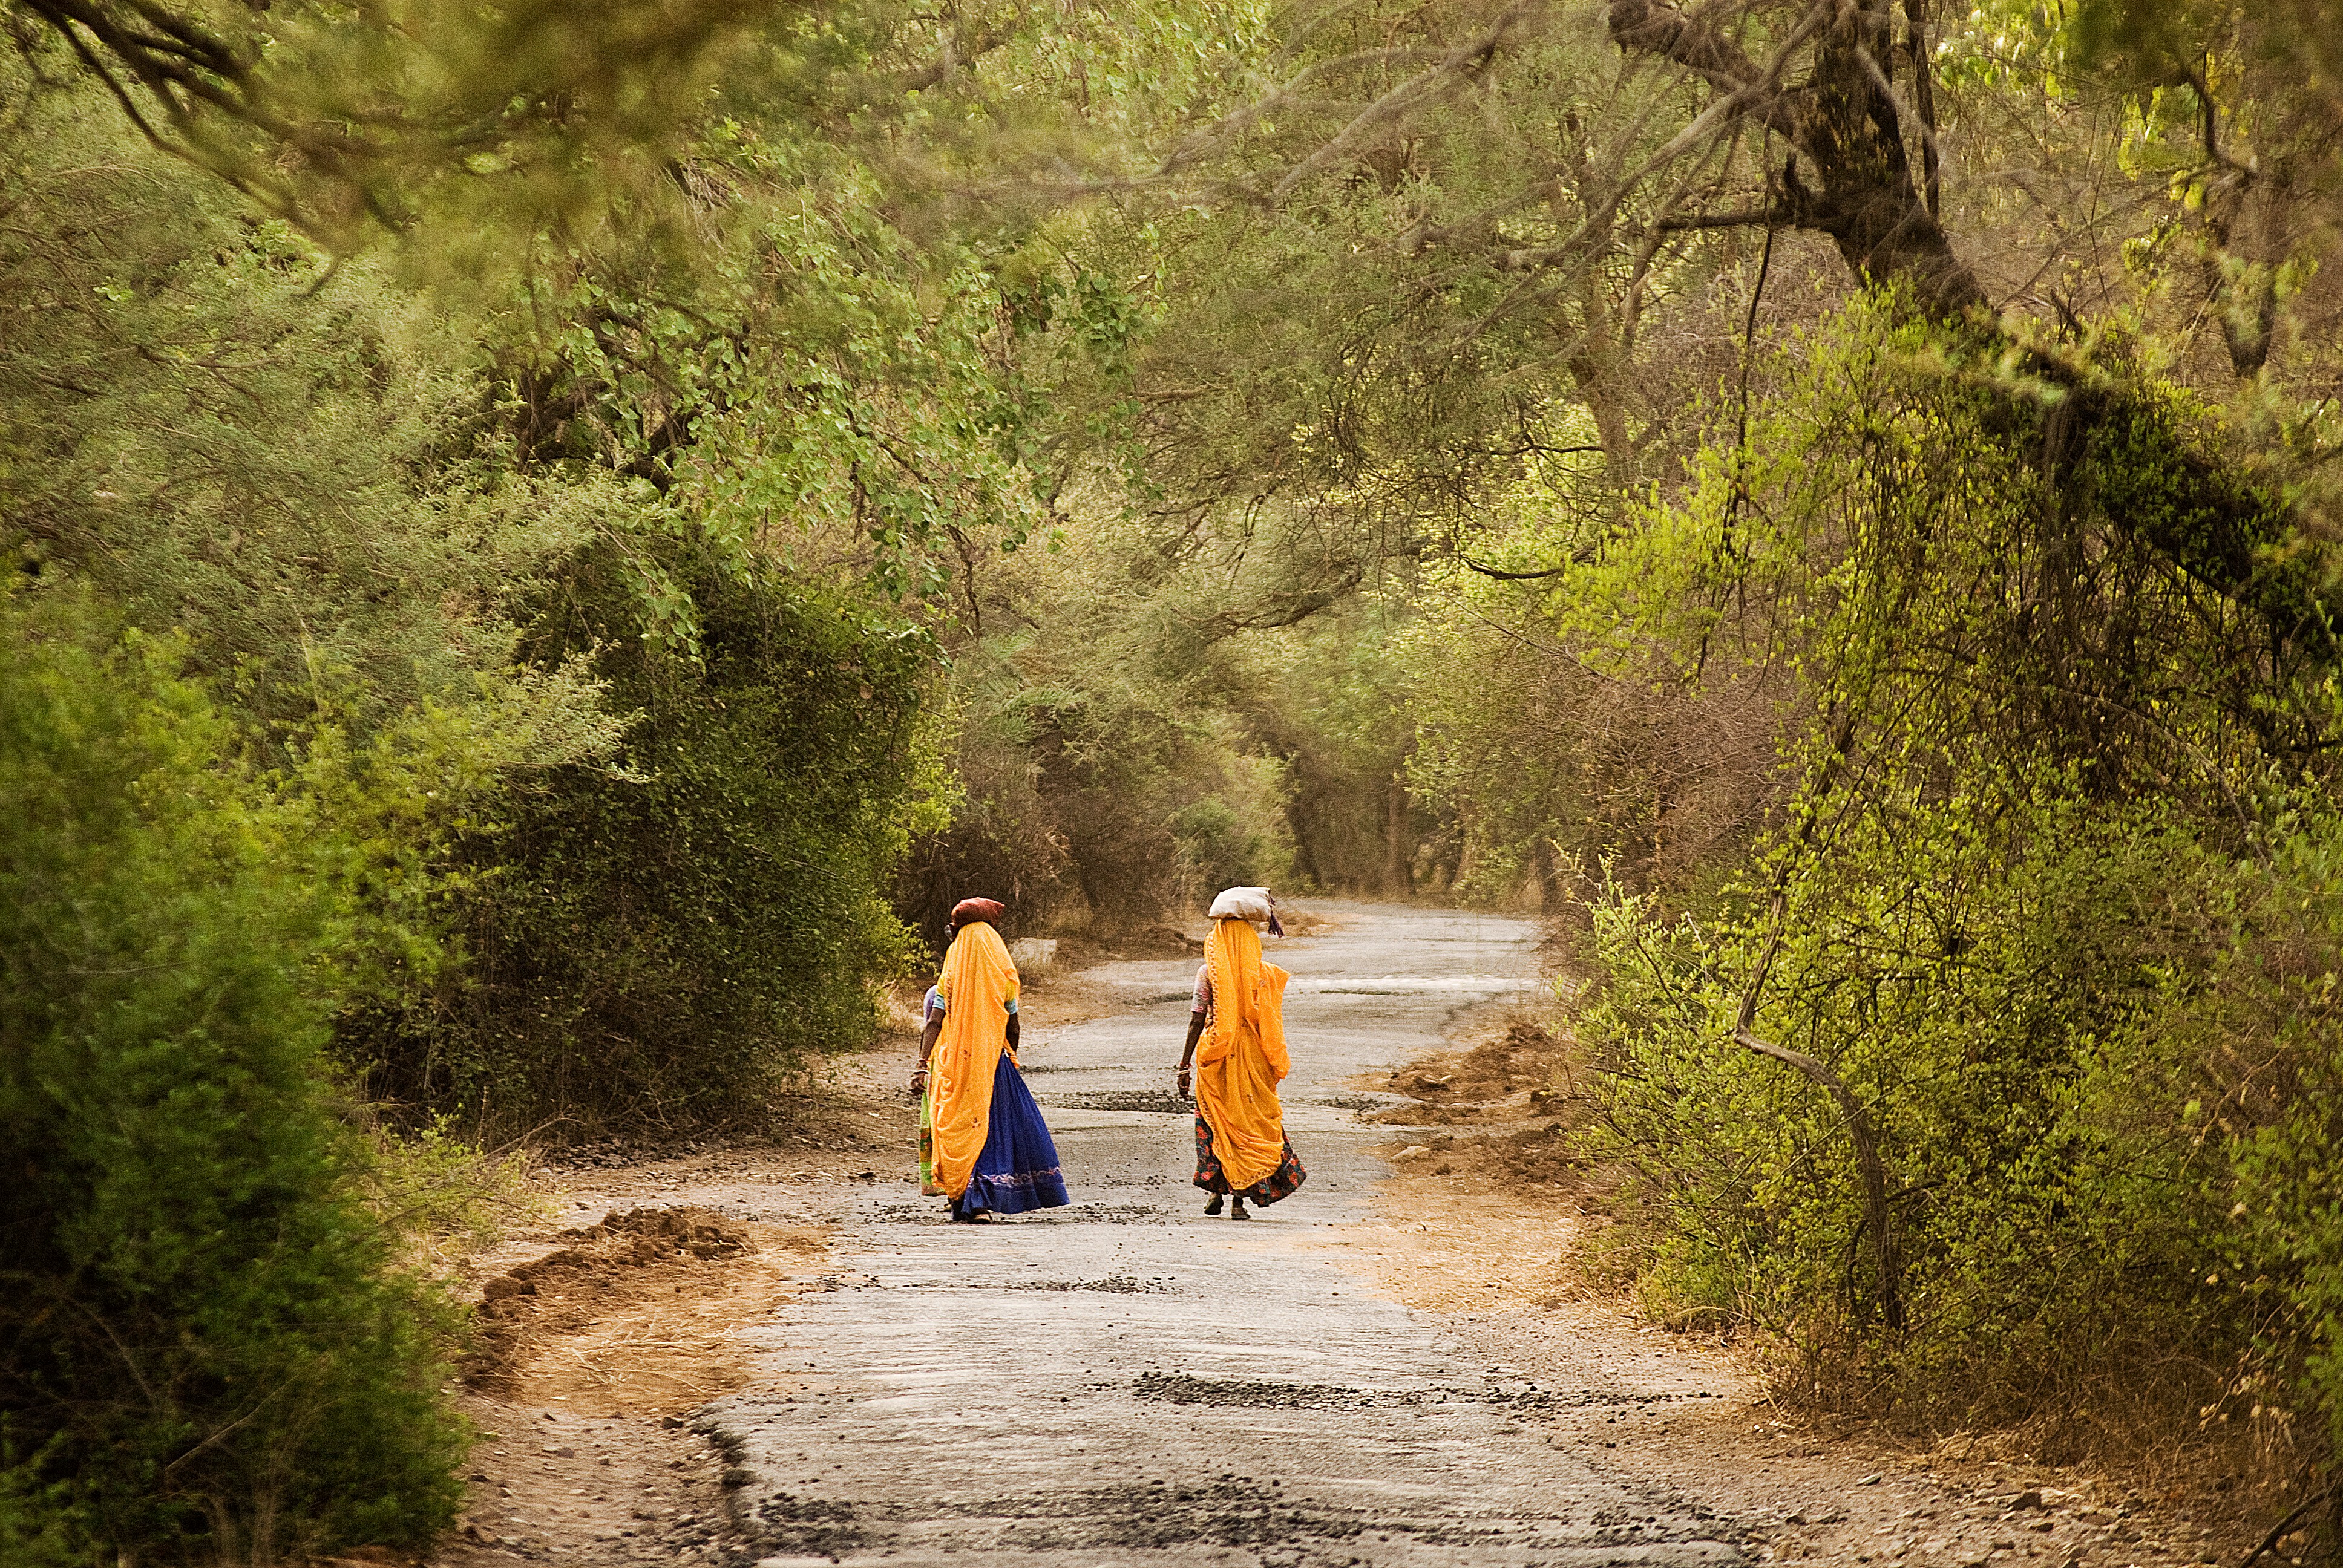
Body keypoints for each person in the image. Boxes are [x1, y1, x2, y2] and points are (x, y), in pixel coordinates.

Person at [913, 898, 1069, 1223]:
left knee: (959, 1127)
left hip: (954, 1063)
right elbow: (1013, 1024)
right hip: (992, 1064)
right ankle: (984, 1199)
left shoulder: (952, 972)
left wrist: (922, 1062)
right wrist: (1008, 1054)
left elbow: (934, 1022)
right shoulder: (1003, 973)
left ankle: (962, 1199)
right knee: (994, 1129)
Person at [1175, 886, 1306, 1219]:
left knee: (1218, 1125)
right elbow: (1270, 1023)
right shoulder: (1263, 975)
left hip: (1216, 1058)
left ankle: (1218, 1195)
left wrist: (1184, 1064)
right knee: (1249, 1125)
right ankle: (1238, 1202)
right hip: (1254, 1061)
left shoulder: (1208, 974)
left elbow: (1196, 1020)